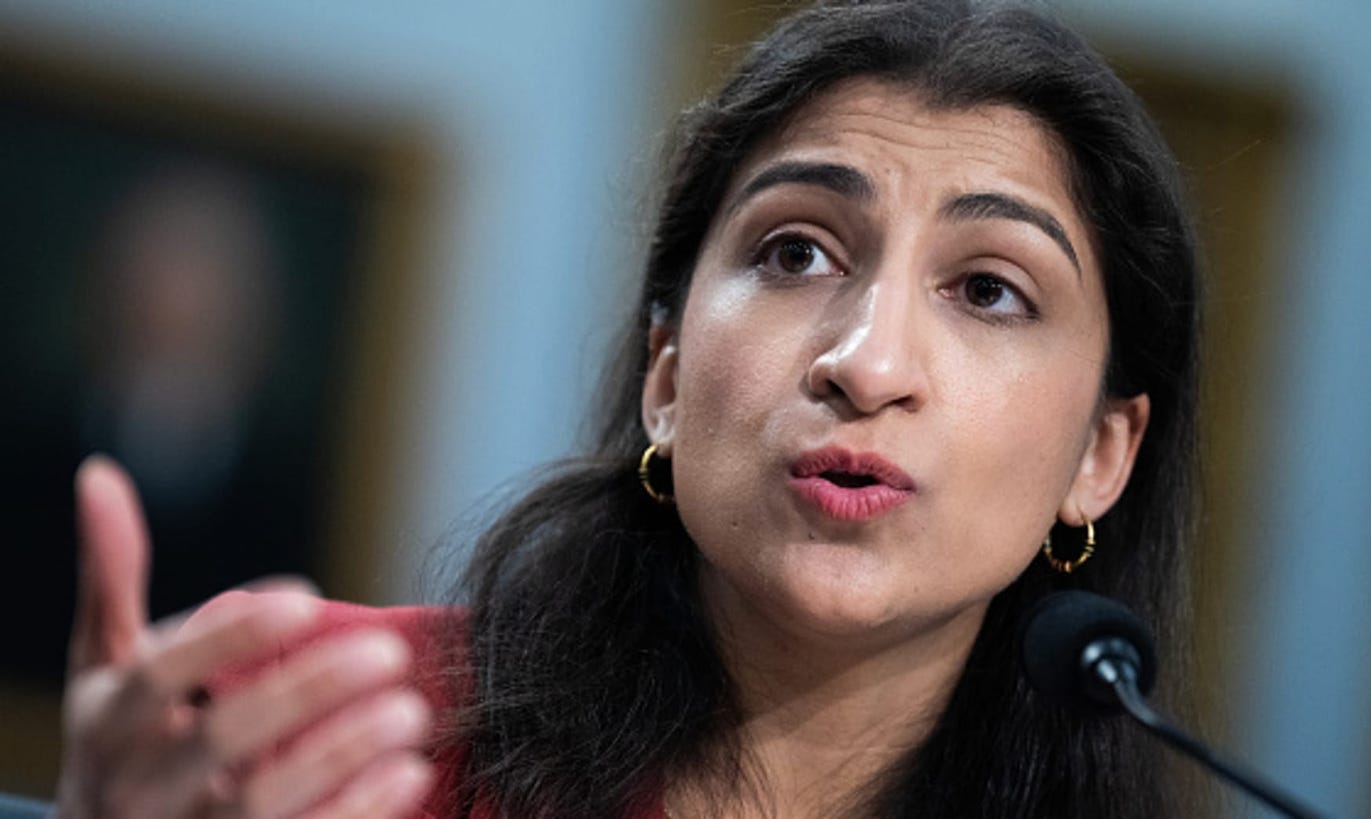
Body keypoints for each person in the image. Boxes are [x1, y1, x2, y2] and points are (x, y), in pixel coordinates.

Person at [49, 1, 1202, 817]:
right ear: (664, 374)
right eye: (796, 253)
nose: (865, 361)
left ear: (1099, 456)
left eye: (988, 289)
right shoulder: (319, 734)